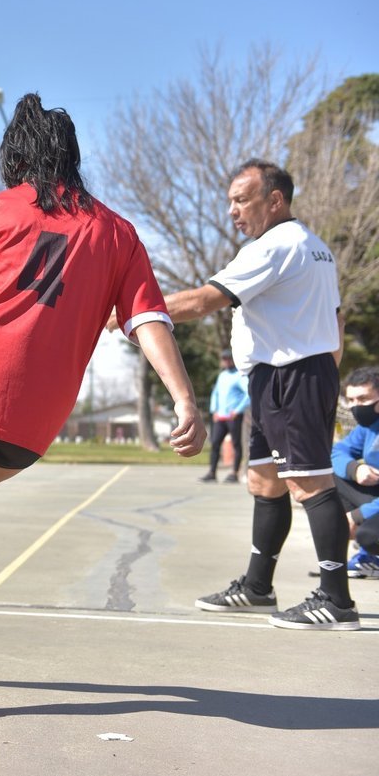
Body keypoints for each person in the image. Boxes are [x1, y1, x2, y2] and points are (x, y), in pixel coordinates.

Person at [0, 94, 205, 718]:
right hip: (40, 408)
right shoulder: (117, 231)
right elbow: (149, 320)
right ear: (72, 157)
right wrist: (186, 399)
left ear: (14, 155)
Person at [154, 159, 358, 631]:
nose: (232, 211)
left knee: (310, 483)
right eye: (230, 201)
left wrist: (137, 312)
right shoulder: (312, 246)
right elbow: (338, 319)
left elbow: (204, 301)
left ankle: (336, 599)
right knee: (264, 482)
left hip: (294, 375)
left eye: (241, 200)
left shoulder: (276, 245)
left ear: (275, 200)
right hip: (280, 376)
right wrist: (326, 368)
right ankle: (258, 587)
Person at [331, 365, 379, 578]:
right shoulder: (369, 426)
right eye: (351, 400)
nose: (355, 406)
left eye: (363, 399)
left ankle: (368, 546)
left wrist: (358, 516)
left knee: (369, 536)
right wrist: (355, 469)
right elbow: (337, 451)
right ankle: (370, 559)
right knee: (329, 477)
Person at [200, 349, 249, 484]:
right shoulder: (222, 376)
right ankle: (212, 472)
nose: (226, 361)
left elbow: (248, 394)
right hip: (220, 417)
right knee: (215, 443)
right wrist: (214, 410)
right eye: (224, 359)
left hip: (233, 417)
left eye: (228, 358)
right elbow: (215, 393)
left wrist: (238, 410)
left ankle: (234, 473)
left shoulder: (240, 376)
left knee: (236, 445)